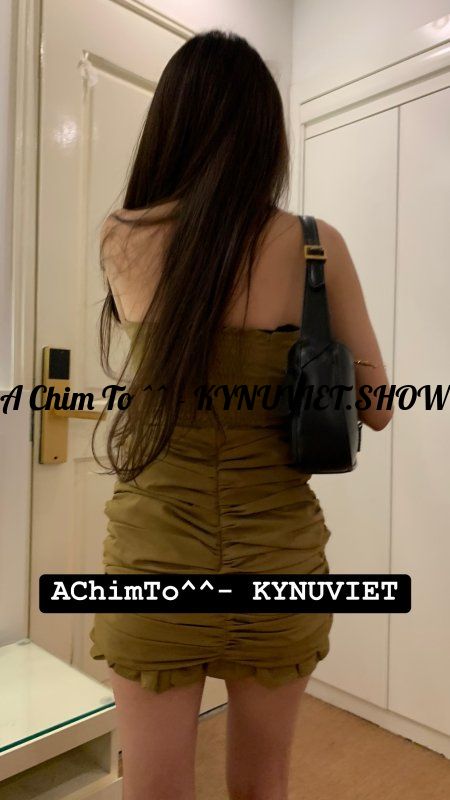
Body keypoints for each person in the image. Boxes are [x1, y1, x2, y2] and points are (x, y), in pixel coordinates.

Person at [88, 29, 393, 800]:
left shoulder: (122, 236)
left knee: (153, 791)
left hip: (154, 559)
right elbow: (379, 408)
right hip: (279, 563)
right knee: (263, 787)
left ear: (171, 123)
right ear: (265, 133)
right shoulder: (318, 247)